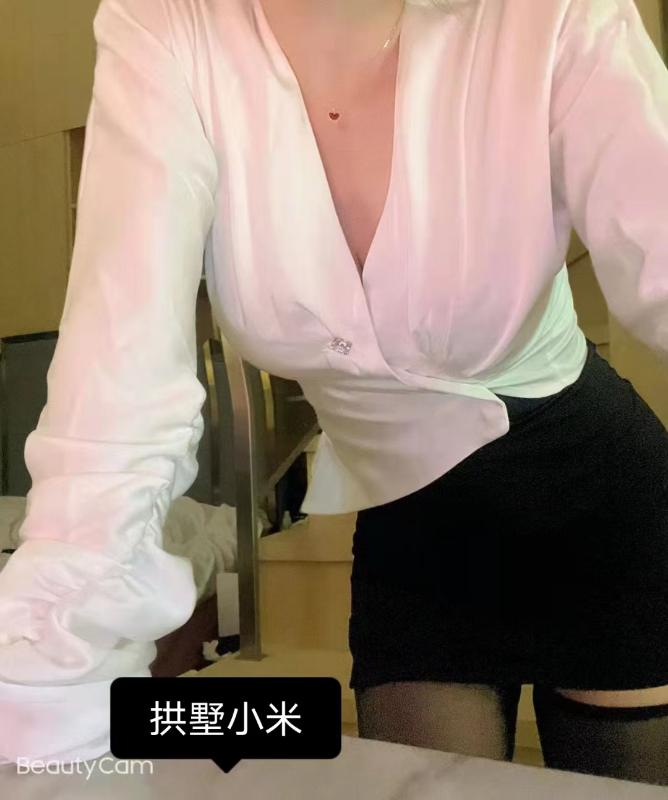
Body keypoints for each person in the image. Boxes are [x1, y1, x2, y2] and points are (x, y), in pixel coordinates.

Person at [0, 0, 667, 784]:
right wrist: (47, 674)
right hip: (414, 531)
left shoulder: (552, 14)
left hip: (597, 504)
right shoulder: (167, 26)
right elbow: (117, 375)